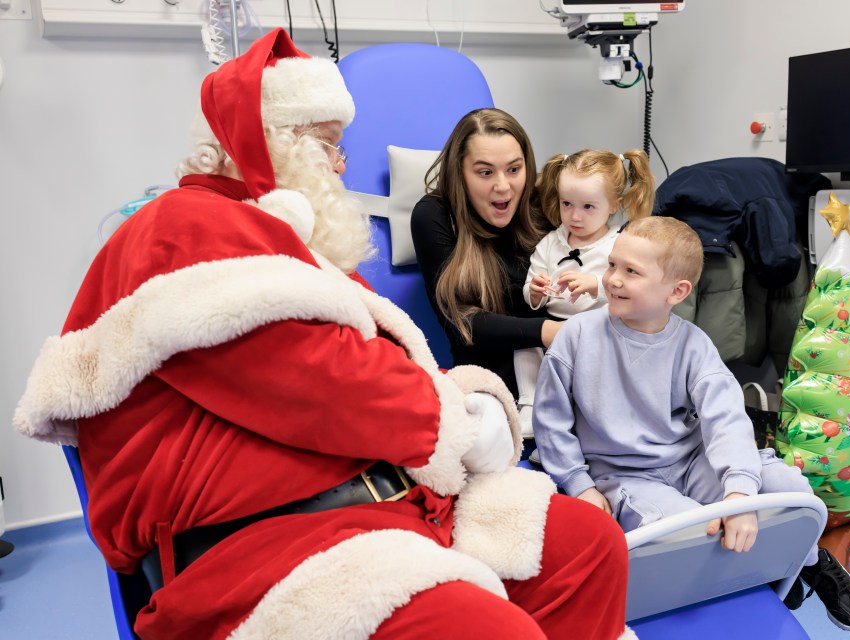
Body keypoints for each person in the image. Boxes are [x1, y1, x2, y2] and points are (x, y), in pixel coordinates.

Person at [14, 30, 636, 640]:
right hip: (271, 541)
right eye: (329, 147)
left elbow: (372, 365)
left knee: (587, 547)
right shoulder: (186, 227)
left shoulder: (282, 245)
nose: (342, 166)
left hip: (387, 498)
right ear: (274, 147)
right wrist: (462, 420)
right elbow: (320, 378)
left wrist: (458, 400)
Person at [532, 215, 850, 632]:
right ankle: (753, 582)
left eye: (631, 271)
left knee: (792, 491)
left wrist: (739, 494)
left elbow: (726, 419)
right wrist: (580, 485)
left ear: (676, 291)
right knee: (690, 531)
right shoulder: (577, 336)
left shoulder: (693, 346)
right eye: (612, 266)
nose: (612, 280)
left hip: (692, 462)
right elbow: (550, 421)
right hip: (626, 474)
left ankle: (810, 561)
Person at [410, 108, 562, 401]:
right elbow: (462, 322)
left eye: (514, 169)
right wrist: (550, 331)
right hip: (491, 389)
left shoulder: (544, 205)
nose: (503, 186)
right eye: (485, 172)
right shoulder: (435, 215)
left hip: (561, 373)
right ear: (460, 172)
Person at [515, 149, 654, 435]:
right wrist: (535, 292)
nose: (574, 216)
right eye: (567, 204)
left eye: (588, 207)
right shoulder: (551, 243)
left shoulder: (620, 244)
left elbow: (632, 292)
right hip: (553, 331)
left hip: (600, 331)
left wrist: (596, 285)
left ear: (614, 205)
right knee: (523, 343)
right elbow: (530, 286)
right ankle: (530, 404)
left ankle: (586, 421)